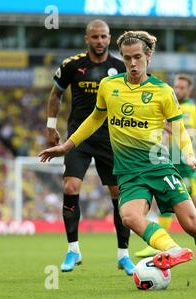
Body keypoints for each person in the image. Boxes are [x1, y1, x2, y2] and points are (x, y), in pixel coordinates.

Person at [40, 30, 196, 287]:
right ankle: (173, 250)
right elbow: (96, 118)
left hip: (158, 166)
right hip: (129, 171)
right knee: (129, 216)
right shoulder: (109, 87)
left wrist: (189, 157)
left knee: (194, 226)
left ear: (148, 57)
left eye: (138, 57)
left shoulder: (163, 91)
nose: (132, 63)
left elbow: (178, 128)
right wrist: (67, 145)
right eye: (127, 58)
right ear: (122, 57)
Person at [46, 19, 135, 275]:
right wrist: (51, 126)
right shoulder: (72, 65)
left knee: (118, 193)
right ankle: (73, 250)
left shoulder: (120, 67)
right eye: (94, 37)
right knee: (70, 186)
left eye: (104, 37)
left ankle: (123, 255)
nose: (99, 41)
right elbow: (55, 94)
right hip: (79, 137)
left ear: (110, 38)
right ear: (87, 39)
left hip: (111, 139)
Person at [135, 73, 196, 258]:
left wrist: (163, 125)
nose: (178, 90)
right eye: (176, 86)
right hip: (174, 159)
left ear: (189, 90)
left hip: (183, 163)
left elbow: (188, 132)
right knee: (169, 200)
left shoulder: (187, 107)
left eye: (182, 88)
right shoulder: (181, 105)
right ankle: (161, 242)